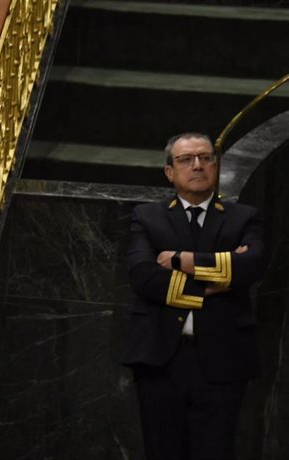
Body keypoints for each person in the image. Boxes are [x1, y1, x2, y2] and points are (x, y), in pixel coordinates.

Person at [120, 132, 265, 459]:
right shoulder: (147, 216)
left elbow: (250, 267)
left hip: (224, 358)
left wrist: (178, 260)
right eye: (186, 159)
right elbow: (144, 276)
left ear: (215, 165)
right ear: (170, 171)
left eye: (205, 157)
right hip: (160, 359)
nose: (197, 165)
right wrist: (215, 282)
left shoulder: (244, 216)